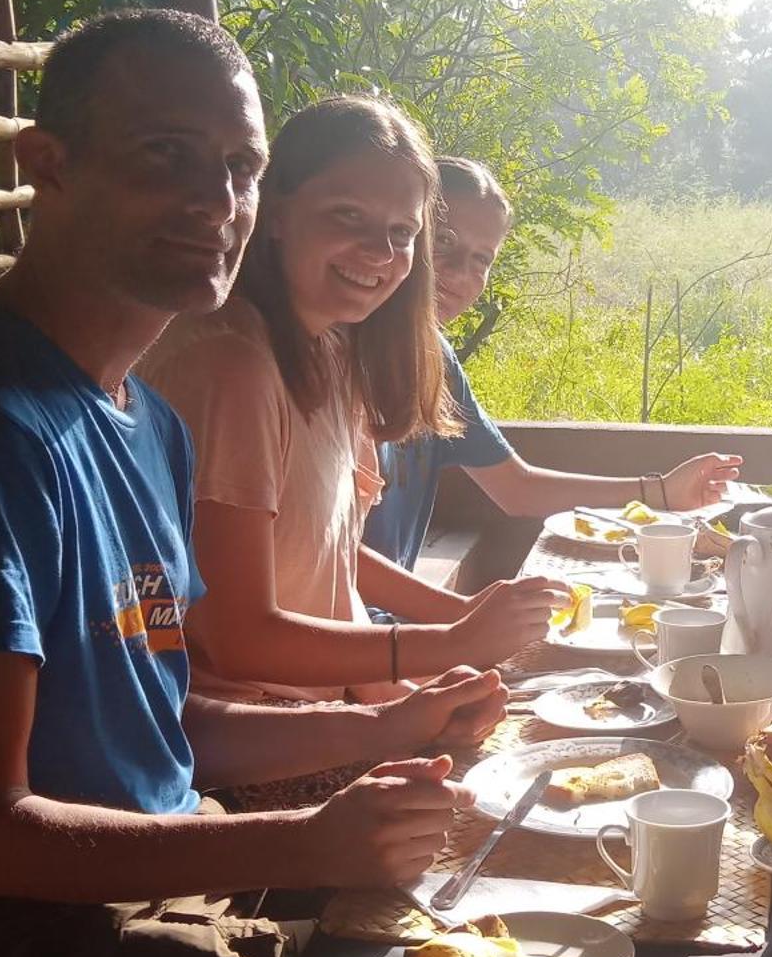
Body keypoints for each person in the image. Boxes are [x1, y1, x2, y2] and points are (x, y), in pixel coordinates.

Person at [0, 11, 494, 957]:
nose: (215, 205)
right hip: (26, 947)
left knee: (474, 952)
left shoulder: (144, 421)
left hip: (179, 861)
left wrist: (394, 723)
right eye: (164, 159)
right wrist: (304, 839)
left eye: (238, 168)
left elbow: (160, 715)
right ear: (45, 165)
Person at [137, 103, 565, 709]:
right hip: (242, 732)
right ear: (277, 211)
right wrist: (447, 644)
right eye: (348, 216)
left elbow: (326, 557)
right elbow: (239, 640)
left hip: (326, 710)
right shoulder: (228, 365)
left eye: (402, 234)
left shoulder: (333, 349)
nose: (379, 252)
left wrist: (409, 688)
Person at [362, 156, 742, 581]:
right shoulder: (342, 358)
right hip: (353, 628)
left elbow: (517, 488)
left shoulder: (436, 360)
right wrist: (455, 622)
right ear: (407, 232)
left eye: (482, 259)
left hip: (394, 624)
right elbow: (330, 555)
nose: (460, 273)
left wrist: (662, 493)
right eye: (445, 242)